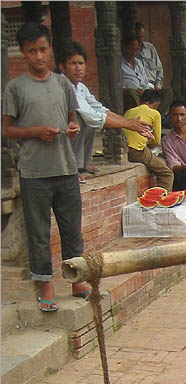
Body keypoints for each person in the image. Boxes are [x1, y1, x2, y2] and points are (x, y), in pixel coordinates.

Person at [2, 22, 89, 312]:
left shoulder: (63, 83)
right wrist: (36, 131)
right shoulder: (15, 88)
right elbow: (8, 130)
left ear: (50, 50)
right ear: (24, 54)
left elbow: (71, 118)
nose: (38, 56)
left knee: (71, 228)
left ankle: (77, 278)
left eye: (42, 49)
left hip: (66, 167)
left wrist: (72, 127)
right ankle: (45, 284)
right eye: (31, 51)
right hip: (34, 173)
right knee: (39, 232)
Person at [59, 41, 154, 183]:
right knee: (82, 119)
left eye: (81, 63)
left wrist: (128, 122)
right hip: (57, 136)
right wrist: (128, 125)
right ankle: (72, 169)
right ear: (62, 67)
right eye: (73, 64)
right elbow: (93, 117)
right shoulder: (63, 86)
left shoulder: (80, 87)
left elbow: (100, 109)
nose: (78, 68)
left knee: (88, 121)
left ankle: (81, 166)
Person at [123, 90, 174, 192]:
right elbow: (156, 140)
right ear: (156, 103)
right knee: (167, 174)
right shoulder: (155, 113)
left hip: (124, 150)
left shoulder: (129, 111)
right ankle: (163, 200)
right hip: (137, 151)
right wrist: (149, 144)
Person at [135, 21, 172, 116]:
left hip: (152, 86)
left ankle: (156, 117)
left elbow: (159, 69)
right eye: (138, 38)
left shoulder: (150, 48)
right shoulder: (132, 54)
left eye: (142, 37)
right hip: (139, 88)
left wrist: (158, 85)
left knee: (168, 92)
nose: (140, 41)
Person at [121, 34, 152, 112]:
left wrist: (146, 92)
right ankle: (141, 113)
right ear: (124, 47)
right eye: (131, 49)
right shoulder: (118, 64)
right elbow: (116, 85)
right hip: (130, 93)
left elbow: (145, 81)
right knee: (132, 93)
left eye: (136, 50)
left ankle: (153, 115)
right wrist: (134, 90)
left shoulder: (139, 63)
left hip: (144, 92)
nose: (134, 52)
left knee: (167, 92)